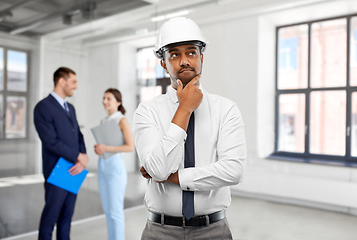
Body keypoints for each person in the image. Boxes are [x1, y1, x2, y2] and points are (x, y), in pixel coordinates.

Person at [132, 17, 247, 240]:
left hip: (214, 231)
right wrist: (184, 109)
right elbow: (156, 170)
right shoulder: (147, 112)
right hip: (160, 231)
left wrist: (174, 177)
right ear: (163, 63)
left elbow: (234, 170)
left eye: (191, 52)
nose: (184, 61)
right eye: (174, 54)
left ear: (201, 57)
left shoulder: (226, 110)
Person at [34, 67, 89, 240]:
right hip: (56, 171)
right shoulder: (42, 107)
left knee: (66, 219)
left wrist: (83, 158)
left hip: (74, 170)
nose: (76, 86)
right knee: (50, 218)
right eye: (73, 82)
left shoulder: (70, 108)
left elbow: (78, 135)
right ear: (61, 81)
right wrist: (78, 156)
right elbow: (50, 142)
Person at [94, 88, 134, 240]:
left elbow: (130, 147)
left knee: (116, 212)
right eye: (104, 98)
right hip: (102, 164)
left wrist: (106, 147)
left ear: (118, 102)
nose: (104, 101)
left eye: (108, 98)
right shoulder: (104, 121)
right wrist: (100, 148)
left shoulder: (121, 120)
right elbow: (105, 145)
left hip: (115, 167)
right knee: (108, 211)